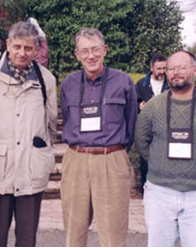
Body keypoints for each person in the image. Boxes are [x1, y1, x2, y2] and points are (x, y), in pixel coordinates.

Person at [135, 50, 196, 247]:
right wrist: (160, 164)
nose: (175, 72)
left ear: (195, 70)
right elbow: (141, 141)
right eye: (171, 68)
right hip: (160, 193)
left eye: (181, 67)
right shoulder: (154, 107)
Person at [0, 21, 57, 247]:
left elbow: (50, 126)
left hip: (31, 169)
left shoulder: (46, 80)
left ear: (36, 49)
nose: (22, 53)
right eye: (18, 46)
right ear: (8, 45)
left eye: (28, 48)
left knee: (27, 238)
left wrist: (42, 154)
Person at [60, 27, 137, 247]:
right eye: (85, 51)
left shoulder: (123, 81)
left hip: (111, 159)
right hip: (76, 160)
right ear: (77, 54)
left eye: (95, 49)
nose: (90, 56)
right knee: (74, 232)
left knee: (113, 234)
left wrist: (113, 151)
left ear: (104, 50)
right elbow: (68, 118)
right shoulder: (69, 84)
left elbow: (131, 122)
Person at [135, 53, 169, 194]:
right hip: (147, 128)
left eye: (164, 68)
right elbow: (133, 102)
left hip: (166, 128)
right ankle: (146, 192)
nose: (162, 71)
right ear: (151, 68)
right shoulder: (141, 84)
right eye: (159, 68)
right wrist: (139, 106)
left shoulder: (171, 84)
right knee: (145, 160)